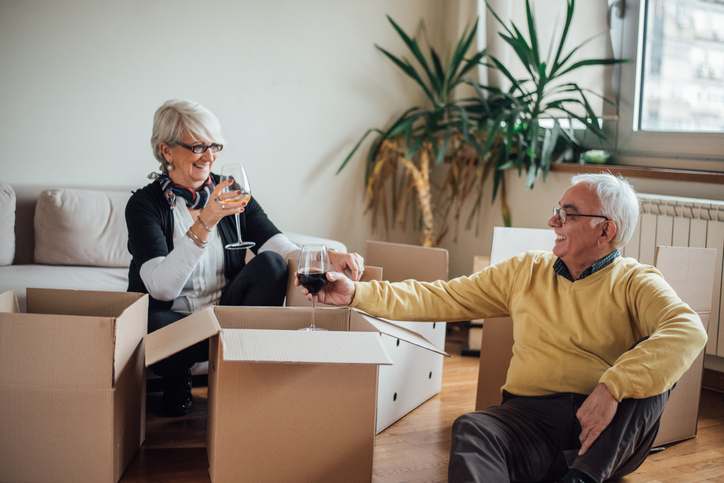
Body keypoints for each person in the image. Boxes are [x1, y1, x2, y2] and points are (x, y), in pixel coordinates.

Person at [297, 173, 707, 483]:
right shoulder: (526, 270)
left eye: (567, 214)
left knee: (655, 376)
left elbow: (688, 329)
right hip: (528, 421)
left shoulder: (636, 280)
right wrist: (356, 294)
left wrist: (613, 386)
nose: (552, 221)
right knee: (473, 427)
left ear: (606, 230)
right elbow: (442, 297)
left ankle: (582, 478)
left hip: (603, 433)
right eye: (556, 210)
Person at [126, 99, 364, 417]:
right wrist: (205, 221)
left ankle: (237, 371)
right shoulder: (144, 205)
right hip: (172, 325)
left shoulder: (229, 192)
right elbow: (161, 289)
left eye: (214, 146)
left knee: (272, 264)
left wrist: (327, 257)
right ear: (166, 150)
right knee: (154, 322)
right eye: (198, 146)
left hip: (226, 314)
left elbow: (277, 244)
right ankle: (177, 378)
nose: (209, 157)